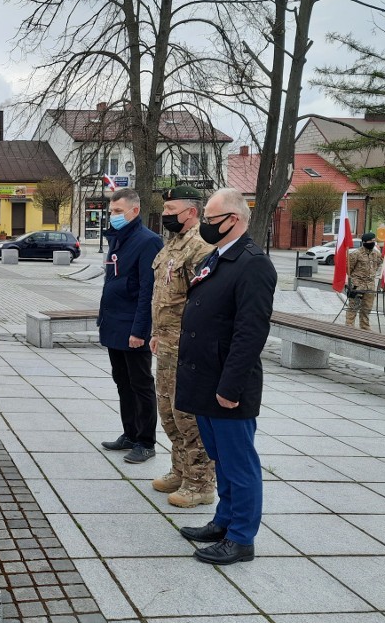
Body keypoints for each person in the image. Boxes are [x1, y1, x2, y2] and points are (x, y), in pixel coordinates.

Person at [175, 187, 277, 565]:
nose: (204, 224)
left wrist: (230, 387)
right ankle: (223, 521)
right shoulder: (219, 257)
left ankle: (241, 538)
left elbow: (251, 333)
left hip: (227, 386)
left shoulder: (253, 264)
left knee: (239, 464)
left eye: (210, 218)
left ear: (233, 220)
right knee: (222, 461)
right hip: (206, 381)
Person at [149, 185, 216, 508]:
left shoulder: (200, 248)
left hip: (187, 347)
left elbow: (202, 302)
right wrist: (155, 332)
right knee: (168, 412)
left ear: (191, 212)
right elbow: (163, 296)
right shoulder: (172, 245)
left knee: (188, 415)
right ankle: (180, 469)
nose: (165, 215)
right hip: (166, 344)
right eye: (164, 210)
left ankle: (201, 483)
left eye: (171, 210)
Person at [99, 188, 163, 463]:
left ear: (135, 211)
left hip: (132, 328)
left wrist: (140, 331)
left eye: (118, 212)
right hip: (114, 324)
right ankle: (130, 433)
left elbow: (147, 291)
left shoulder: (147, 241)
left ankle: (146, 441)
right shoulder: (119, 239)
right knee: (122, 382)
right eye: (111, 211)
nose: (113, 216)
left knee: (140, 384)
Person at [346, 232, 382, 330]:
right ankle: (349, 327)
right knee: (353, 306)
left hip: (370, 286)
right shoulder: (356, 254)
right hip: (357, 285)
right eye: (371, 241)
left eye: (374, 241)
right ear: (364, 242)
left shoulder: (376, 254)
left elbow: (378, 265)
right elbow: (348, 269)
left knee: (367, 308)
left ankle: (364, 327)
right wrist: (355, 279)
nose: (373, 243)